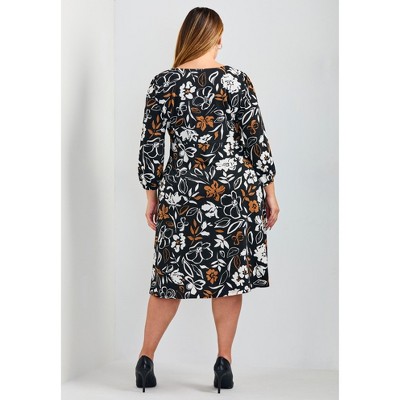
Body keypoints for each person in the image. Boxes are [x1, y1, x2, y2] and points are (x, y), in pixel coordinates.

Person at [135, 6, 280, 393]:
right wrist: (270, 193)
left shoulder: (163, 83)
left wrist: (152, 197)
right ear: (213, 36)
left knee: (169, 279)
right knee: (229, 280)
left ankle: (145, 359)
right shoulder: (236, 80)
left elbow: (151, 147)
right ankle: (223, 362)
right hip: (233, 195)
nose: (222, 42)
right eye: (220, 35)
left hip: (181, 195)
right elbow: (256, 140)